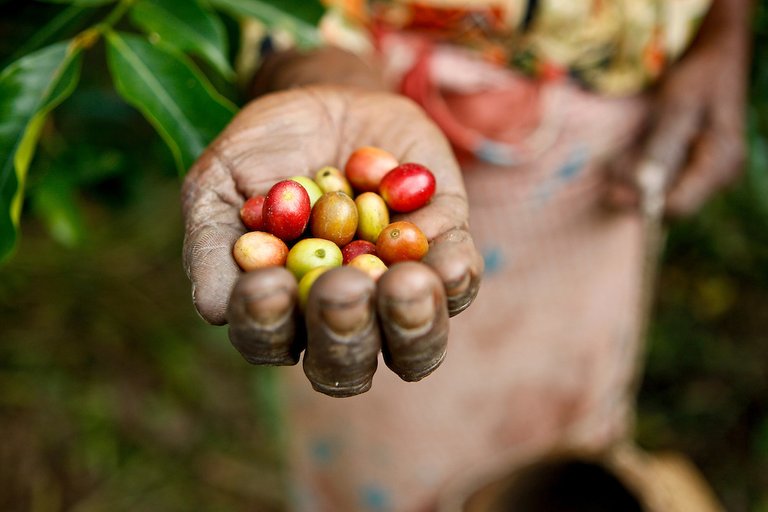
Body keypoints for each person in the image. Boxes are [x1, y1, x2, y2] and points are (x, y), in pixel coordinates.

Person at [181, 0, 750, 510]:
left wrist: (725, 30)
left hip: (607, 128)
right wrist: (313, 66)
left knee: (567, 446)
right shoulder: (343, 216)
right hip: (366, 74)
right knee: (383, 441)